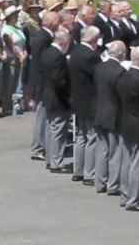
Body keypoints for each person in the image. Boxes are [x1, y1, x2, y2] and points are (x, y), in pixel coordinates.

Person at [115, 46, 139, 211]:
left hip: (126, 123)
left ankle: (125, 195)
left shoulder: (123, 76)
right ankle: (134, 199)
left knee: (127, 162)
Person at [67, 26, 101, 184]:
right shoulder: (90, 56)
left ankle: (78, 170)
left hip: (78, 99)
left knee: (81, 136)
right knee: (91, 137)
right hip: (90, 101)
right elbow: (98, 76)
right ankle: (89, 173)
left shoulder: (75, 51)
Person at [93, 41, 127, 196]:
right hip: (114, 114)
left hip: (100, 111)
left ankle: (100, 182)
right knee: (114, 152)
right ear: (120, 53)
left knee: (102, 150)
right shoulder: (120, 71)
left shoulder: (99, 67)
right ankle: (113, 184)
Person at [39, 28, 72, 173]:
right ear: (64, 42)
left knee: (51, 129)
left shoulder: (46, 52)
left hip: (47, 94)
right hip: (57, 97)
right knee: (58, 130)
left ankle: (50, 159)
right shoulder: (58, 56)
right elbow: (59, 80)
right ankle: (55, 161)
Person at [27, 11, 58, 161]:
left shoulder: (45, 36)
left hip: (43, 82)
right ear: (50, 22)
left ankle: (43, 145)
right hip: (42, 82)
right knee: (42, 116)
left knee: (45, 116)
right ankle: (38, 147)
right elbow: (38, 63)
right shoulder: (43, 38)